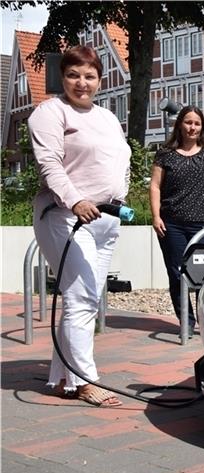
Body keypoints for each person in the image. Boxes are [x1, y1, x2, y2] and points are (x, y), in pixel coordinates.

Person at [29, 45, 131, 407]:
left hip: (106, 220)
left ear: (100, 80)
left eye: (89, 76)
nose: (81, 82)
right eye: (74, 74)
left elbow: (120, 160)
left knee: (85, 299)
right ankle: (87, 381)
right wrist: (76, 200)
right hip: (66, 217)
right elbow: (49, 165)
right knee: (80, 297)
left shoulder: (106, 117)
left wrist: (120, 198)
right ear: (63, 77)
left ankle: (62, 379)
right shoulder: (50, 112)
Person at [150, 106, 204, 333]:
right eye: (188, 122)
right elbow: (155, 186)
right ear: (180, 125)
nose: (192, 127)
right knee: (177, 273)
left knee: (203, 275)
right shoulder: (165, 154)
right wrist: (156, 215)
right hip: (172, 224)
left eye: (197, 123)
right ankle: (186, 322)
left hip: (203, 224)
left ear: (202, 127)